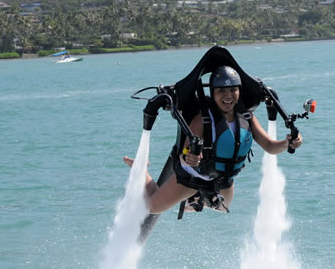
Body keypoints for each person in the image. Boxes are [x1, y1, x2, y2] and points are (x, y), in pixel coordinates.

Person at [124, 66, 302, 215]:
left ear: (239, 90)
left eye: (233, 89)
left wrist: (287, 143)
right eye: (222, 90)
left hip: (223, 180)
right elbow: (184, 152)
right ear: (213, 92)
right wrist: (189, 157)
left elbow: (270, 146)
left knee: (224, 209)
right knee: (152, 207)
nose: (228, 95)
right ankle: (141, 170)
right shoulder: (203, 120)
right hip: (193, 178)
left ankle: (198, 200)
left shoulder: (247, 117)